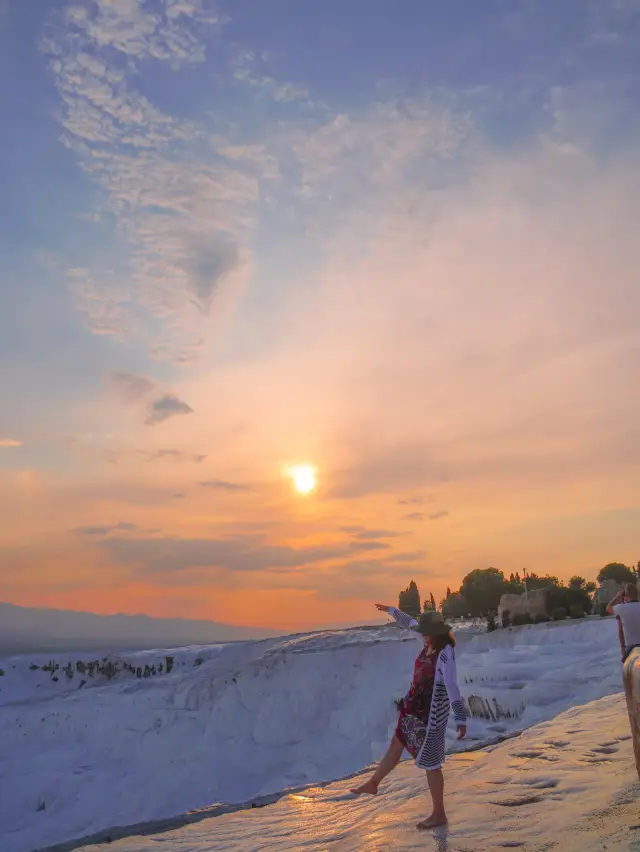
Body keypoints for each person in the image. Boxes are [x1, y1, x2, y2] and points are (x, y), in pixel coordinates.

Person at [351, 603, 467, 830]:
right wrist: (391, 610)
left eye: (426, 631)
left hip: (430, 716)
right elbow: (410, 623)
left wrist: (461, 718)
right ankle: (373, 783)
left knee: (432, 764)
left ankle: (439, 814)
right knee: (396, 743)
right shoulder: (428, 644)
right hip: (413, 709)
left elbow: (452, 686)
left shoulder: (445, 653)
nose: (422, 634)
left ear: (437, 633)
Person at [608, 583, 640, 662]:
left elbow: (608, 608)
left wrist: (617, 596)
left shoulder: (621, 609)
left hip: (631, 648)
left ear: (625, 595)